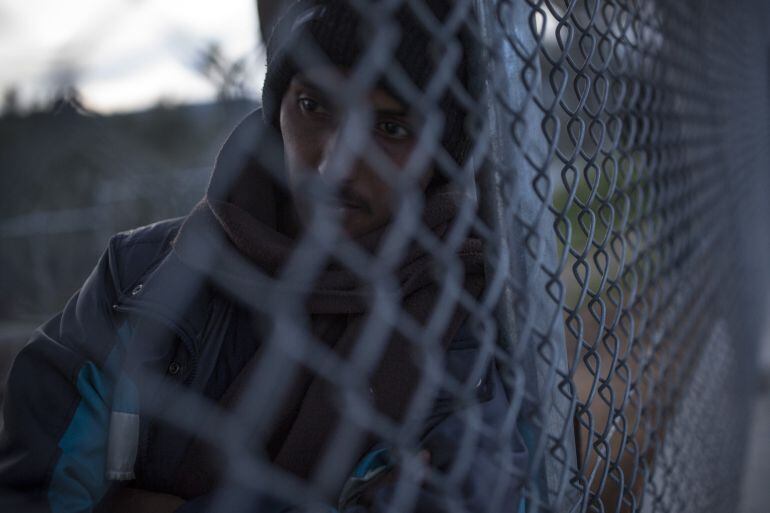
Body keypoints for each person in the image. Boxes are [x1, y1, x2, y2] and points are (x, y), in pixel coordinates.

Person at [0, 1, 528, 512]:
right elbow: (30, 486)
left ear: (441, 153)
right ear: (276, 107)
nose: (335, 167)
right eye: (313, 106)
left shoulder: (477, 311)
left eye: (390, 128)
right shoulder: (137, 276)